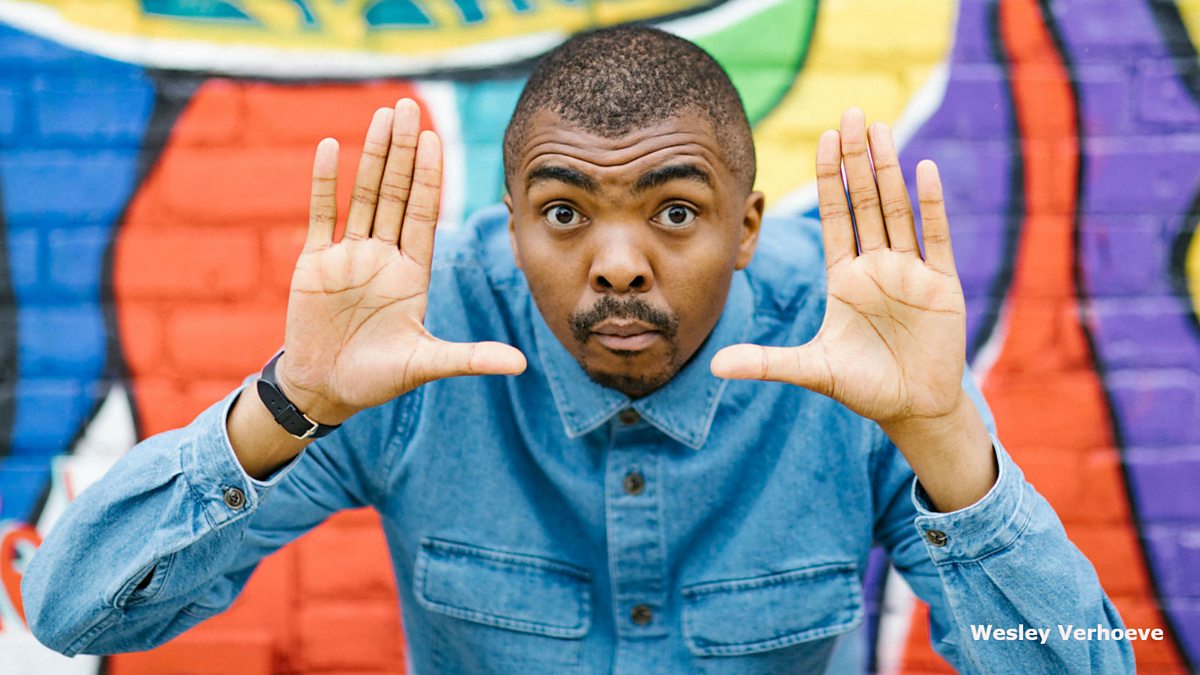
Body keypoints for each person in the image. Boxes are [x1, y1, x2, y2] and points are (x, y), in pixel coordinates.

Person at [24, 26, 1132, 673]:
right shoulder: (410, 346)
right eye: (564, 214)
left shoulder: (849, 354)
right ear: (511, 228)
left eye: (676, 212)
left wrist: (945, 436)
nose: (619, 265)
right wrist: (290, 399)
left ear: (748, 227)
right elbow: (74, 611)